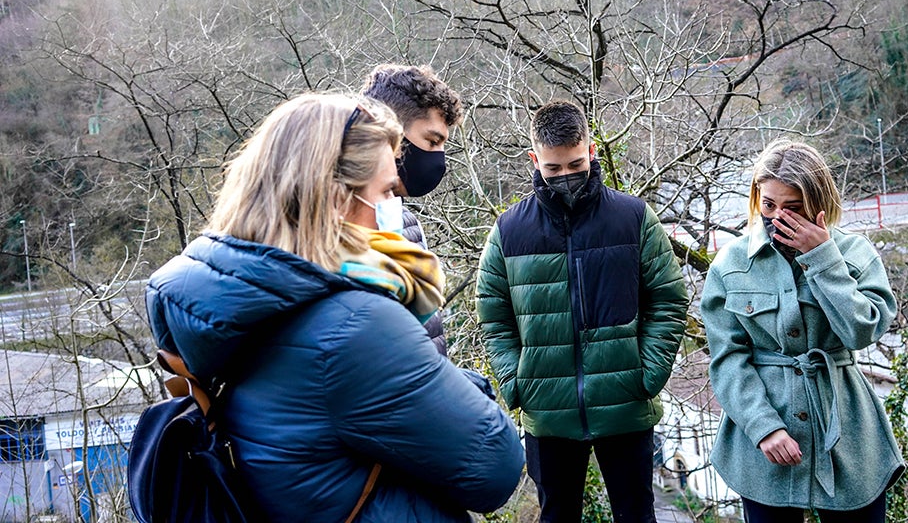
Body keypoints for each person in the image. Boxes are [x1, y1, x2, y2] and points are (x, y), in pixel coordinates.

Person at [145, 93, 524, 522]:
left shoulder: (236, 304)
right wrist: (460, 385)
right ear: (336, 196)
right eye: (384, 191)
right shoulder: (356, 326)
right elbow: (496, 467)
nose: (391, 209)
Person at [476, 100, 689, 523]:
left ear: (592, 152)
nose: (566, 177)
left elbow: (668, 298)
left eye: (576, 164)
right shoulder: (508, 231)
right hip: (547, 411)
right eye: (553, 169)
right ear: (534, 160)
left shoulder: (633, 218)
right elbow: (493, 314)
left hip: (626, 404)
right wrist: (518, 383)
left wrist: (647, 373)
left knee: (637, 515)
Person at [701, 139, 904, 523]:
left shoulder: (856, 254)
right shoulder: (730, 263)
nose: (778, 216)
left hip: (848, 433)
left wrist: (823, 259)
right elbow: (727, 359)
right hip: (763, 442)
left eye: (792, 208)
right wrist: (763, 428)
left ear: (817, 202)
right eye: (769, 204)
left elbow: (862, 330)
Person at [362, 64, 464, 356]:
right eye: (432, 141)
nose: (439, 159)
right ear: (390, 132)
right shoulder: (334, 231)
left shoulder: (408, 223)